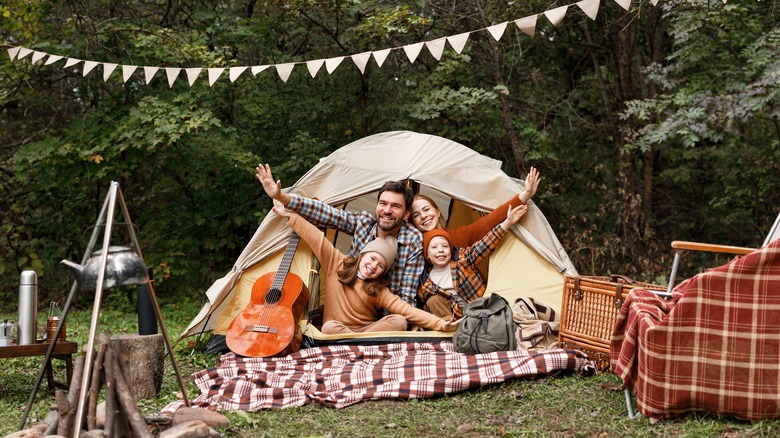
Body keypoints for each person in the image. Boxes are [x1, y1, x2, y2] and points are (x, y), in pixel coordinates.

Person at [272, 201, 460, 334]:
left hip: (367, 331)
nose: (373, 266)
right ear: (362, 255)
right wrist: (290, 214)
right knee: (329, 327)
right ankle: (354, 341)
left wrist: (440, 324)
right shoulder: (337, 263)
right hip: (337, 327)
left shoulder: (378, 289)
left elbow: (406, 310)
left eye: (380, 266)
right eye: (371, 259)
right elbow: (316, 238)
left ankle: (353, 341)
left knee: (399, 321)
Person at [256, 163, 423, 306]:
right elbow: (327, 214)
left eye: (395, 206)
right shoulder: (364, 222)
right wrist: (283, 197)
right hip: (348, 303)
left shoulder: (412, 239)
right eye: (383, 203)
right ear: (377, 205)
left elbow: (406, 296)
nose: (387, 211)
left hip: (385, 313)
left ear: (407, 214)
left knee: (397, 320)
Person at [418, 203, 527, 319]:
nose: (440, 250)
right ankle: (448, 327)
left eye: (445, 246)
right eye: (434, 247)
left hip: (479, 312)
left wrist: (507, 223)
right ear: (427, 256)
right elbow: (424, 306)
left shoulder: (463, 260)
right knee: (433, 300)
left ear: (451, 250)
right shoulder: (426, 283)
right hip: (454, 318)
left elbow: (485, 244)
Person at [409, 166, 541, 248]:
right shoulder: (415, 246)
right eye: (416, 215)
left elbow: (489, 221)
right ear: (413, 223)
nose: (423, 216)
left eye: (426, 209)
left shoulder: (459, 236)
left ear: (438, 212)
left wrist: (525, 195)